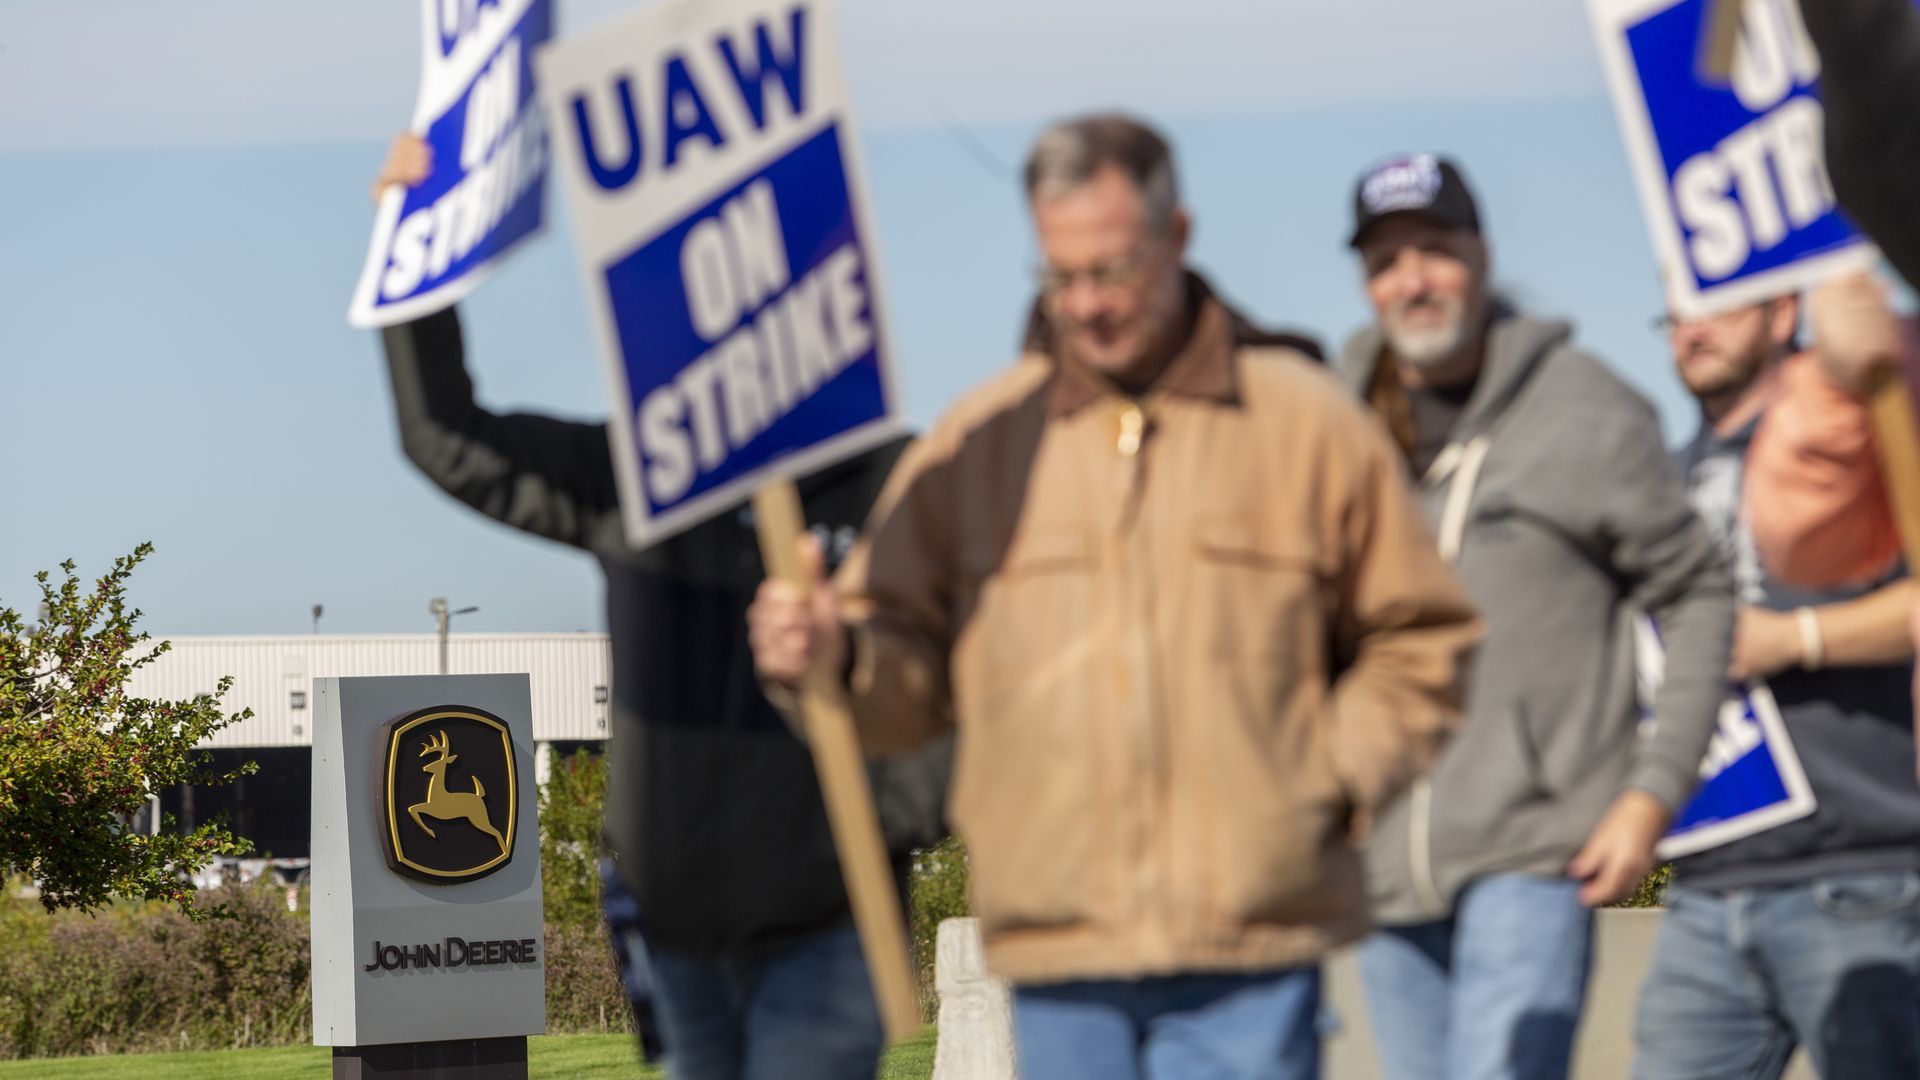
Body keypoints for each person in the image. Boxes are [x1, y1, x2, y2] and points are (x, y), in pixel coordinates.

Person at [747, 113, 1482, 1080]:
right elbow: (901, 669)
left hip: (1252, 949)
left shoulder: (1305, 423)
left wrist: (1326, 781)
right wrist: (837, 659)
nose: (1086, 304)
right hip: (1059, 953)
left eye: (1116, 270)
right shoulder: (975, 446)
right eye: (1061, 277)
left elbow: (1424, 637)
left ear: (1178, 237)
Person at [369, 134, 951, 1080]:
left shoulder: (890, 482)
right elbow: (449, 438)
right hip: (673, 926)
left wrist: (900, 820)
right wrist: (416, 252)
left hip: (825, 919)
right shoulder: (636, 478)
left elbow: (956, 678)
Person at [1333, 154, 1734, 1080]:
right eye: (1387, 261)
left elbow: (1699, 592)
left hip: (1534, 845)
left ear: (1482, 253)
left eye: (1435, 250)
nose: (1413, 280)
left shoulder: (1584, 405)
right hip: (1383, 858)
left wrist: (1650, 796)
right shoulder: (1340, 424)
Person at [1630, 286, 1920, 1078]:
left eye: (1713, 303)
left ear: (1782, 312)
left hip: (1861, 872)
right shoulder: (1659, 486)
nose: (1692, 329)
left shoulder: (1860, 448)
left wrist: (1799, 636)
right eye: (1675, 312)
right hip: (1704, 883)